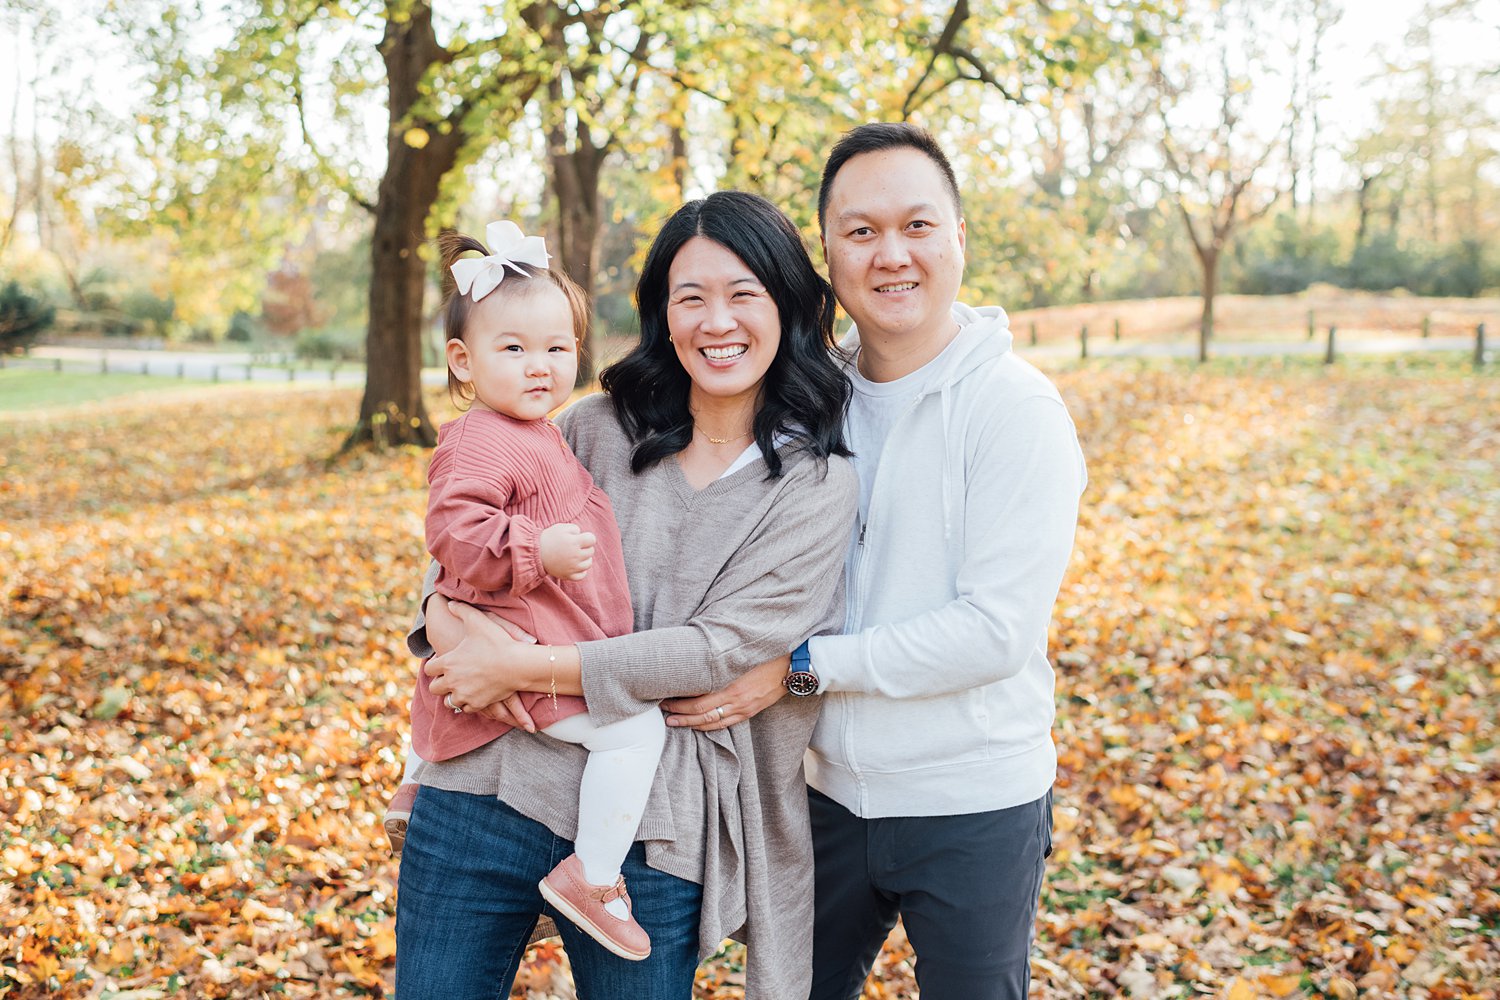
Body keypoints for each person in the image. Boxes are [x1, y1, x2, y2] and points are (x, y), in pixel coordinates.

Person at [395, 191, 859, 1000]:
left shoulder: (816, 484)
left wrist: (525, 668)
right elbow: (470, 542)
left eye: (744, 293)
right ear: (662, 315)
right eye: (691, 298)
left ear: (787, 302)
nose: (718, 321)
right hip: (487, 781)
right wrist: (439, 616)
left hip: (652, 829)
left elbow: (715, 650)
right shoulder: (592, 426)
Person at [672, 122, 1087, 999]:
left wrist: (802, 668)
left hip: (971, 800)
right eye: (861, 232)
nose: (891, 254)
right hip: (824, 798)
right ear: (827, 254)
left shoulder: (1016, 410)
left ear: (960, 237)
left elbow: (995, 632)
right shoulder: (809, 396)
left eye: (918, 226)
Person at [387, 219, 666, 961]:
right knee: (637, 732)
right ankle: (595, 878)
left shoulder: (539, 429)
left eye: (557, 347)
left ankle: (418, 780)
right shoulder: (482, 436)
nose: (539, 365)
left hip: (531, 634)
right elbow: (452, 533)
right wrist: (534, 550)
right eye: (513, 349)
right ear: (463, 361)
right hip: (533, 642)